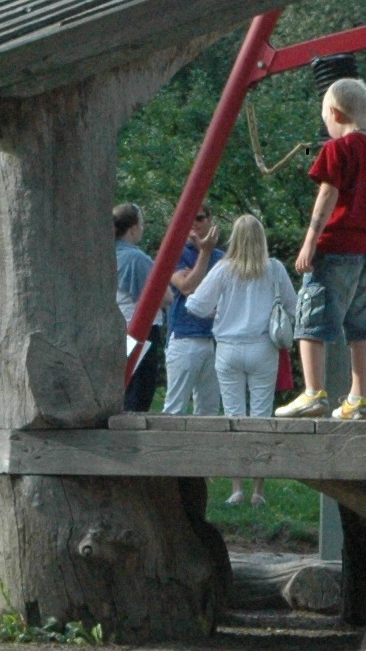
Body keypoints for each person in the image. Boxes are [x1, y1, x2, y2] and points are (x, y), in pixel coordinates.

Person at [276, 76, 366, 419]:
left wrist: (309, 242)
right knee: (362, 326)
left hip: (335, 248)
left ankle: (313, 392)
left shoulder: (336, 149)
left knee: (312, 319)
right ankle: (356, 399)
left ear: (332, 113)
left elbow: (327, 196)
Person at [184, 212, 283, 505]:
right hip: (264, 347)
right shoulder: (274, 268)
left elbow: (194, 304)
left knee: (234, 417)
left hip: (228, 347)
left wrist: (219, 312)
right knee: (262, 418)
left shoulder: (224, 269)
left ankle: (236, 488)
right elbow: (290, 304)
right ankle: (258, 491)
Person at [161, 204, 225, 417]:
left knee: (209, 410)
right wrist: (204, 255)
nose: (194, 224)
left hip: (215, 340)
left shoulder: (222, 257)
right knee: (175, 407)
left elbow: (224, 296)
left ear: (209, 219)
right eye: (188, 219)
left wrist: (197, 281)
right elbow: (187, 287)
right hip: (184, 337)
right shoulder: (174, 252)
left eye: (199, 218)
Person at [111, 203, 160, 413]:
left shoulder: (104, 254)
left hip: (115, 327)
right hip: (141, 330)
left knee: (121, 389)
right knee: (139, 393)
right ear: (132, 228)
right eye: (142, 224)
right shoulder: (136, 258)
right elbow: (163, 295)